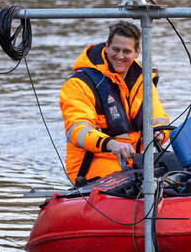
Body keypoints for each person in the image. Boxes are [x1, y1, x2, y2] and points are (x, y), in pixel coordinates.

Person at [60, 21, 169, 185]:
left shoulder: (143, 81)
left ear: (137, 53)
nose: (120, 56)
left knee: (179, 170)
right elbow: (77, 130)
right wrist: (111, 144)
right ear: (106, 47)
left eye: (126, 51)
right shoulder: (79, 84)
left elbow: (159, 118)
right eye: (115, 49)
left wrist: (159, 134)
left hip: (137, 163)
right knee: (134, 184)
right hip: (93, 165)